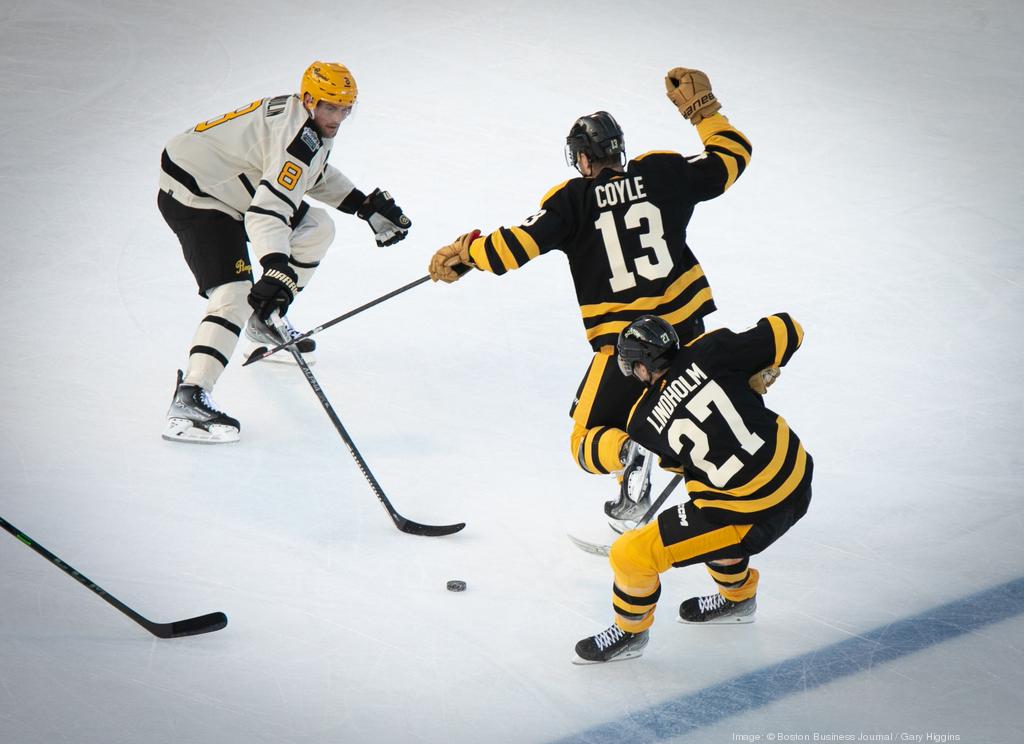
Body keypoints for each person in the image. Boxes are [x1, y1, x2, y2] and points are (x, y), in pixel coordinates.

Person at [427, 68, 752, 525]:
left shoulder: (572, 200)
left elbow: (514, 247)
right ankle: (710, 488)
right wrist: (703, 111)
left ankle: (629, 455)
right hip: (687, 332)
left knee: (589, 438)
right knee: (694, 411)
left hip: (628, 348)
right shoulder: (663, 172)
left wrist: (467, 253)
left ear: (581, 159)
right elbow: (731, 156)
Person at [158, 61, 411, 444]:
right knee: (234, 293)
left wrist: (362, 204)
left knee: (317, 228)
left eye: (346, 108)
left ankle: (262, 322)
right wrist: (275, 267)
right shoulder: (296, 134)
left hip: (229, 184)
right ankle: (189, 399)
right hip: (198, 195)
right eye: (331, 107)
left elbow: (308, 173)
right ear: (309, 99)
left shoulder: (307, 124)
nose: (339, 117)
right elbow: (268, 210)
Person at [572, 313, 812, 663]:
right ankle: (737, 598)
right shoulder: (713, 347)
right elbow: (789, 328)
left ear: (642, 367)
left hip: (754, 514)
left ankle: (629, 633)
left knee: (630, 554)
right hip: (798, 477)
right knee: (703, 519)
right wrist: (761, 370)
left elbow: (678, 463)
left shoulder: (643, 421)